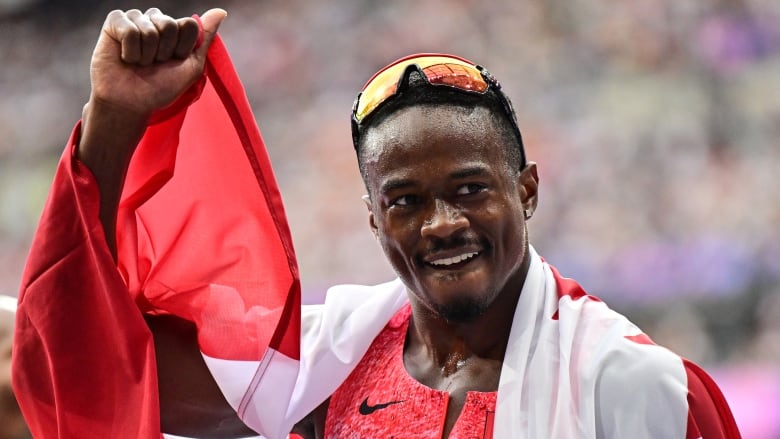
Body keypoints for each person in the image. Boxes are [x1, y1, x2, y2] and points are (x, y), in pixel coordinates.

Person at [12, 7, 741, 439]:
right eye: (406, 201)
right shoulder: (323, 364)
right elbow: (85, 360)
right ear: (372, 218)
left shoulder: (636, 387)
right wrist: (112, 120)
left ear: (527, 191)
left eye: (470, 189)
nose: (442, 223)